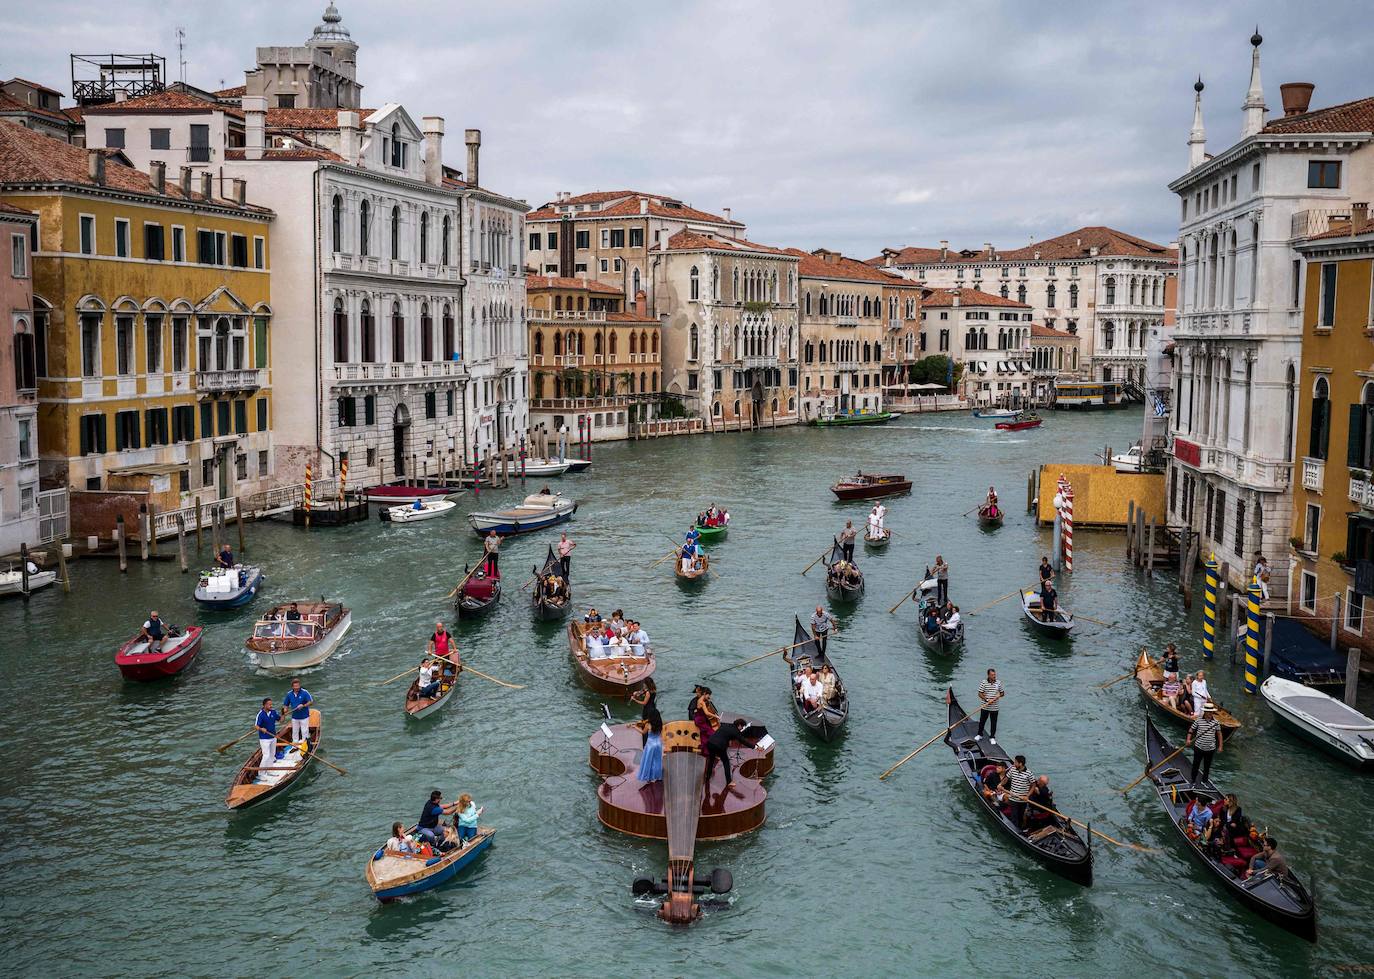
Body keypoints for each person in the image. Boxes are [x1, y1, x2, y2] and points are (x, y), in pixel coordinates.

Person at [703, 717, 753, 789]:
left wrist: (728, 741)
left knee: (711, 760)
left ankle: (707, 777)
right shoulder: (736, 731)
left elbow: (725, 735)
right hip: (719, 746)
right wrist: (754, 747)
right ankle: (729, 782)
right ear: (739, 725)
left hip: (710, 742)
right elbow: (743, 741)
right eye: (742, 727)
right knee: (726, 762)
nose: (741, 729)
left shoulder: (725, 725)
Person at [1186, 703, 1224, 786]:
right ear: (1205, 712)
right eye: (1209, 712)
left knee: (1207, 767)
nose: (1210, 714)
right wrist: (1188, 739)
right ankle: (1193, 780)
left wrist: (1220, 746)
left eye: (1211, 712)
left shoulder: (1216, 722)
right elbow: (1191, 730)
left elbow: (1219, 734)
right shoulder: (1199, 720)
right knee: (1196, 765)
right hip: (1199, 747)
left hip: (1210, 749)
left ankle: (1204, 781)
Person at [635, 693, 664, 783]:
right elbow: (661, 734)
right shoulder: (660, 724)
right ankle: (657, 776)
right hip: (658, 744)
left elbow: (643, 732)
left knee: (649, 761)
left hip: (650, 744)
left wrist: (634, 727)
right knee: (657, 761)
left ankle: (648, 777)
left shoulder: (648, 724)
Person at [1005, 755, 1034, 830]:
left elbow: (1033, 785)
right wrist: (1000, 784)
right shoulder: (1012, 770)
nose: (1014, 764)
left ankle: (1020, 829)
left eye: (1015, 762)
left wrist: (1027, 796)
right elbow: (1006, 778)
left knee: (1020, 816)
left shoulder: (1029, 773)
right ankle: (1015, 830)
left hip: (1022, 800)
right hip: (1013, 799)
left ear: (1020, 764)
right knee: (1014, 816)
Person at [281, 678, 313, 744]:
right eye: (295, 686)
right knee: (295, 731)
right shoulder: (289, 694)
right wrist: (285, 710)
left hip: (304, 716)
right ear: (292, 687)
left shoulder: (305, 692)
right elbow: (285, 705)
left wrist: (303, 705)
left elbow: (310, 702)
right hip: (295, 717)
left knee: (304, 731)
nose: (297, 687)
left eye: (298, 686)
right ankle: (295, 743)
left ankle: (305, 742)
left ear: (300, 685)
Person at [976, 668, 1004, 743]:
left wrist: (998, 696)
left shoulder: (998, 683)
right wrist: (986, 700)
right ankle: (979, 735)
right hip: (985, 706)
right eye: (992, 675)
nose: (994, 676)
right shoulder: (984, 682)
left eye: (994, 674)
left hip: (995, 708)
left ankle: (992, 737)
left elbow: (1002, 693)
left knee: (993, 723)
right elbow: (980, 693)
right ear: (988, 675)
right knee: (982, 721)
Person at [255, 698, 281, 770]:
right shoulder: (260, 714)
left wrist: (284, 713)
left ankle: (269, 770)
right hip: (264, 738)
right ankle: (261, 773)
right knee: (266, 756)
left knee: (272, 755)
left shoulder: (273, 712)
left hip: (273, 736)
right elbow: (256, 726)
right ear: (264, 705)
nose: (271, 706)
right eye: (269, 705)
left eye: (271, 704)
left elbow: (281, 720)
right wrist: (261, 729)